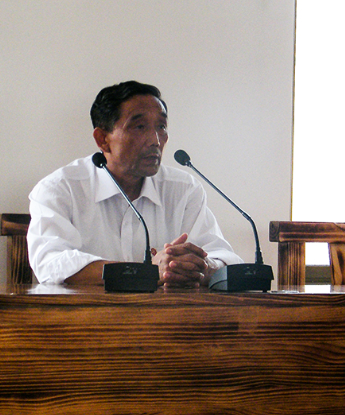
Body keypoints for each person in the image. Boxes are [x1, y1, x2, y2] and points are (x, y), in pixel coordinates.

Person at [27, 81, 243, 287]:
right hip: (89, 312)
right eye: (139, 127)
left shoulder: (183, 189)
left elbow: (226, 258)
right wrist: (147, 272)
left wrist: (201, 267)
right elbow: (50, 263)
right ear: (102, 139)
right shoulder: (60, 189)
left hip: (166, 313)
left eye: (161, 126)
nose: (155, 140)